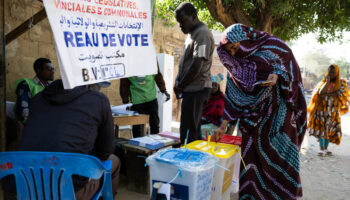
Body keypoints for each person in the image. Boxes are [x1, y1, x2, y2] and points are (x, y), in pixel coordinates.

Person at [214, 24, 307, 199]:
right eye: (230, 51)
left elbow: (287, 65)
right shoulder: (236, 65)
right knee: (251, 169)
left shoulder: (273, 46)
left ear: (246, 39)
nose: (234, 53)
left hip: (279, 121)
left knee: (282, 163)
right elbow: (233, 96)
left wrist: (277, 76)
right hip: (253, 125)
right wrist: (223, 126)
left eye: (235, 47)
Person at [17, 80, 120, 200]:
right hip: (70, 190)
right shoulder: (98, 100)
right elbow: (105, 152)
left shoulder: (37, 99)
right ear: (89, 84)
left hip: (26, 185)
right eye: (98, 87)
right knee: (114, 161)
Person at [174, 2, 215, 144]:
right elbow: (186, 63)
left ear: (194, 16)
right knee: (188, 131)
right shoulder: (193, 34)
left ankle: (190, 164)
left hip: (197, 89)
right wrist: (177, 81)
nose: (181, 25)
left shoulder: (202, 33)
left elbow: (197, 64)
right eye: (179, 22)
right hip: (190, 89)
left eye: (183, 20)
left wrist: (181, 84)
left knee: (190, 135)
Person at [307, 64, 349, 156]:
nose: (331, 74)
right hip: (321, 110)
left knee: (330, 129)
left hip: (333, 111)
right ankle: (321, 149)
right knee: (322, 128)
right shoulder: (323, 82)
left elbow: (341, 94)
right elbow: (320, 93)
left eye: (333, 73)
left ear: (337, 73)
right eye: (329, 72)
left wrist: (327, 95)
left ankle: (325, 148)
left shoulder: (342, 82)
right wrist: (327, 82)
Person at [120, 64, 170, 137]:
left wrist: (164, 90)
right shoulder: (129, 60)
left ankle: (155, 145)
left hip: (151, 98)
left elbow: (158, 75)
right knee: (137, 126)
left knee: (154, 125)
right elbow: (124, 83)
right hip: (137, 100)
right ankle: (138, 146)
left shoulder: (151, 58)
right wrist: (125, 101)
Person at [14, 58, 55, 123]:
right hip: (32, 125)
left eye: (53, 69)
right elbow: (23, 110)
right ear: (39, 70)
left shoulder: (51, 87)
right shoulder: (26, 84)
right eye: (49, 69)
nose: (53, 71)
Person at [201, 74, 225, 138]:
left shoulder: (221, 99)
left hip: (215, 124)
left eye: (215, 85)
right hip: (203, 121)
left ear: (218, 87)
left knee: (201, 130)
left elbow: (218, 115)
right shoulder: (205, 97)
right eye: (211, 85)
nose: (213, 87)